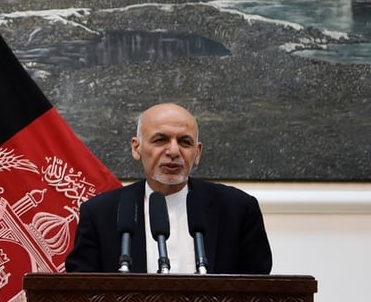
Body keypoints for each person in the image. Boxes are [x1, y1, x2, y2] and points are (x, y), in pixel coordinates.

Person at [63, 103, 272, 274]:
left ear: (197, 153)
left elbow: (262, 292)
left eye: (184, 142)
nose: (173, 151)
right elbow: (78, 290)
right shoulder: (101, 213)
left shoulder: (238, 209)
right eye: (160, 139)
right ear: (136, 148)